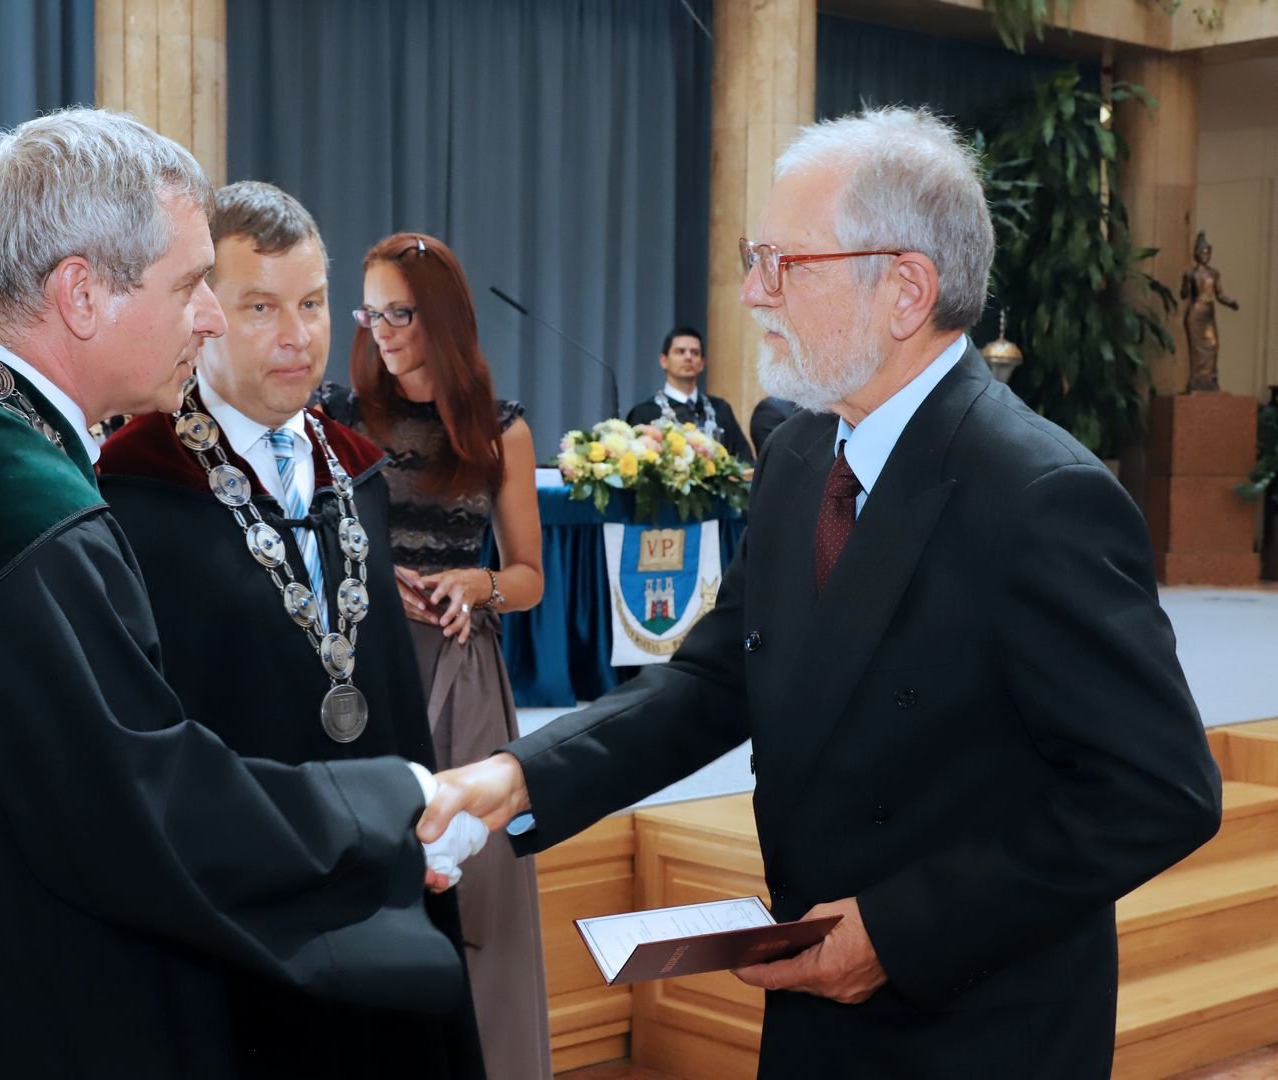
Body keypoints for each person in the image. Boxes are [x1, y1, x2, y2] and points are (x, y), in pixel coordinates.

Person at [420, 106, 1223, 1079]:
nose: (752, 293)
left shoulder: (1039, 495)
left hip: (977, 1019)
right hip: (815, 1006)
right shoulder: (802, 454)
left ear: (905, 289)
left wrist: (896, 931)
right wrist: (518, 776)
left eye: (784, 263)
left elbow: (1158, 792)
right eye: (754, 259)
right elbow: (716, 680)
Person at [0, 109, 480, 1079]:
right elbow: (137, 804)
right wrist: (388, 806)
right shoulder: (24, 511)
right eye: (189, 285)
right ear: (81, 293)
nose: (208, 317)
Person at [95, 182, 484, 1079]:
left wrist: (423, 816)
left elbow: (384, 685)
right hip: (238, 899)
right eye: (260, 307)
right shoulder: (135, 488)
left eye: (311, 304)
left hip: (376, 875)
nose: (296, 336)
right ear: (202, 314)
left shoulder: (356, 471)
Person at [319, 231, 552, 1080]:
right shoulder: (336, 415)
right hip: (363, 663)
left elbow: (528, 578)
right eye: (370, 313)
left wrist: (476, 583)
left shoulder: (500, 428)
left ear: (444, 317)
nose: (381, 331)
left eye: (401, 314)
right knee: (374, 867)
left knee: (481, 884)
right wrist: (373, 575)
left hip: (462, 672)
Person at [625, 327, 754, 461]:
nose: (688, 357)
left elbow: (744, 460)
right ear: (664, 361)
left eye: (695, 353)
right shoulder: (644, 413)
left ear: (702, 363)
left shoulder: (720, 409)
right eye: (680, 352)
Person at [1180, 230, 1239, 392]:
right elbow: (1184, 294)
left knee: (1213, 345)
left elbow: (1220, 295)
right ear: (1196, 253)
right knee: (1196, 349)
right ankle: (1197, 380)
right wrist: (1186, 282)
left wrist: (1231, 303)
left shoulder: (1214, 274)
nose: (1205, 255)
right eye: (1202, 252)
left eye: (1207, 252)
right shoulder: (1191, 274)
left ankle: (1210, 378)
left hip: (1208, 313)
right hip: (1195, 312)